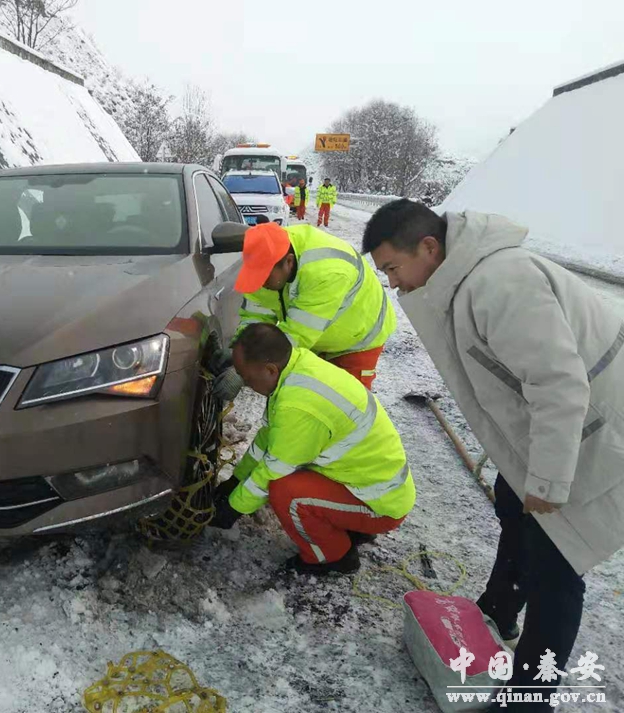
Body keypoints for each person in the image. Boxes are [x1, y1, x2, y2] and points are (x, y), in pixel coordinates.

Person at [362, 199, 624, 711]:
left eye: (393, 268)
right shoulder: (463, 279)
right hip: (557, 428)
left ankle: (529, 698)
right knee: (512, 505)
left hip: (595, 429)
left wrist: (547, 481)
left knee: (556, 567)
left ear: (429, 247)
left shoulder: (500, 283)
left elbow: (558, 384)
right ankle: (500, 607)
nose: (392, 283)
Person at [208, 323, 416, 575]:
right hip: (362, 483)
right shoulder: (297, 367)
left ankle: (333, 557)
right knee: (286, 479)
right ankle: (347, 527)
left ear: (270, 369)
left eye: (247, 378)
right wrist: (237, 479)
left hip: (380, 504)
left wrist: (233, 508)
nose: (246, 384)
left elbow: (273, 470)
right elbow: (269, 437)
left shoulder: (298, 407)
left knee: (286, 492)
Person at [212, 221, 396, 400]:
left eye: (264, 278)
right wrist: (240, 350)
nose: (261, 284)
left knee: (344, 404)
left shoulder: (326, 273)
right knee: (305, 396)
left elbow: (296, 336)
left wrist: (244, 371)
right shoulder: (267, 258)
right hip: (315, 334)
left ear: (289, 262)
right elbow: (256, 317)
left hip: (357, 339)